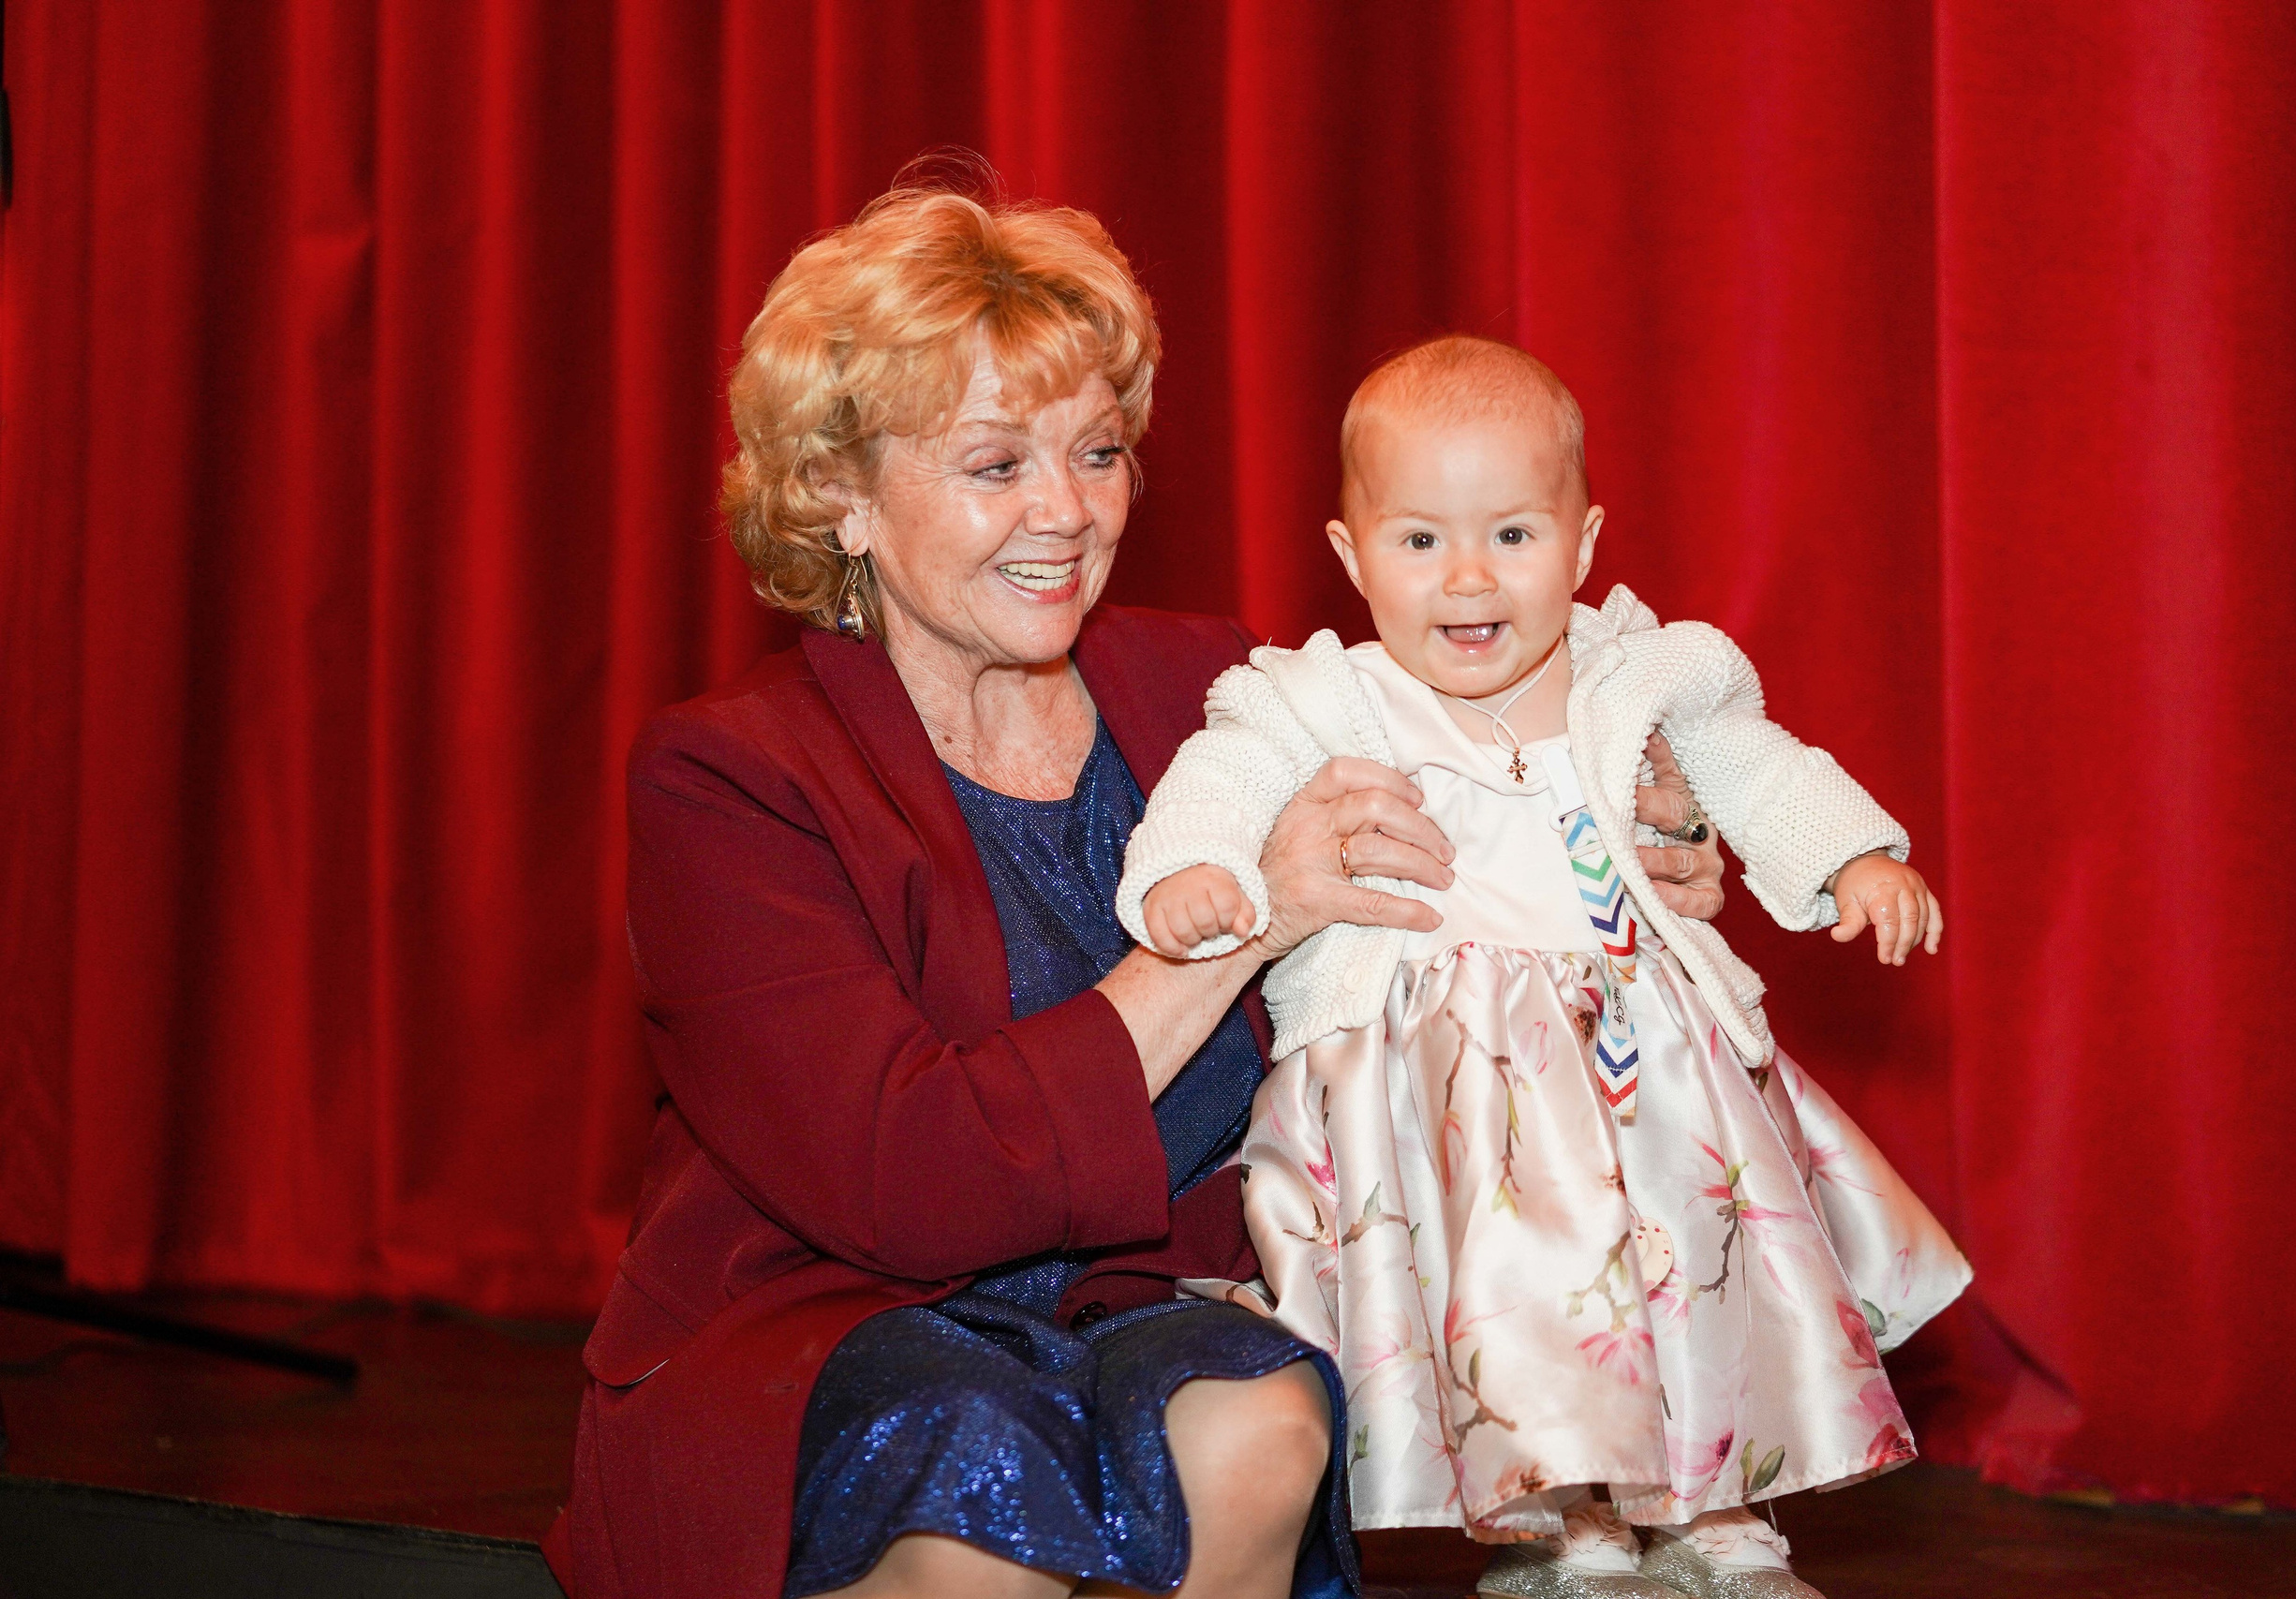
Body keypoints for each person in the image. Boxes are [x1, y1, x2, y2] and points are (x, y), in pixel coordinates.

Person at [548, 196, 1730, 1599]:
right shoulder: (733, 777)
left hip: (1148, 1294)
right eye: (996, 464)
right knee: (978, 1472)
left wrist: (1633, 872)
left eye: (1098, 452)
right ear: (842, 498)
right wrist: (1256, 913)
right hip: (832, 1323)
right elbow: (905, 1183)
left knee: (1262, 1421)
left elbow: (1480, 841)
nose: (1069, 510)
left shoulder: (1218, 695)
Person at [1118, 337, 1973, 1599]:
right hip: (1450, 1087)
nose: (1469, 577)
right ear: (1352, 557)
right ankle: (1576, 1531)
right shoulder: (1321, 700)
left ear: (1581, 545)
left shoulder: (1637, 676)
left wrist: (1854, 859)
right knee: (1528, 1301)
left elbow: (1757, 765)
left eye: (1513, 536)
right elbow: (1221, 781)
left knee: (1695, 1266)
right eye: (1420, 542)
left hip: (1649, 1063)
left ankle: (1726, 1510)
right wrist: (1191, 875)